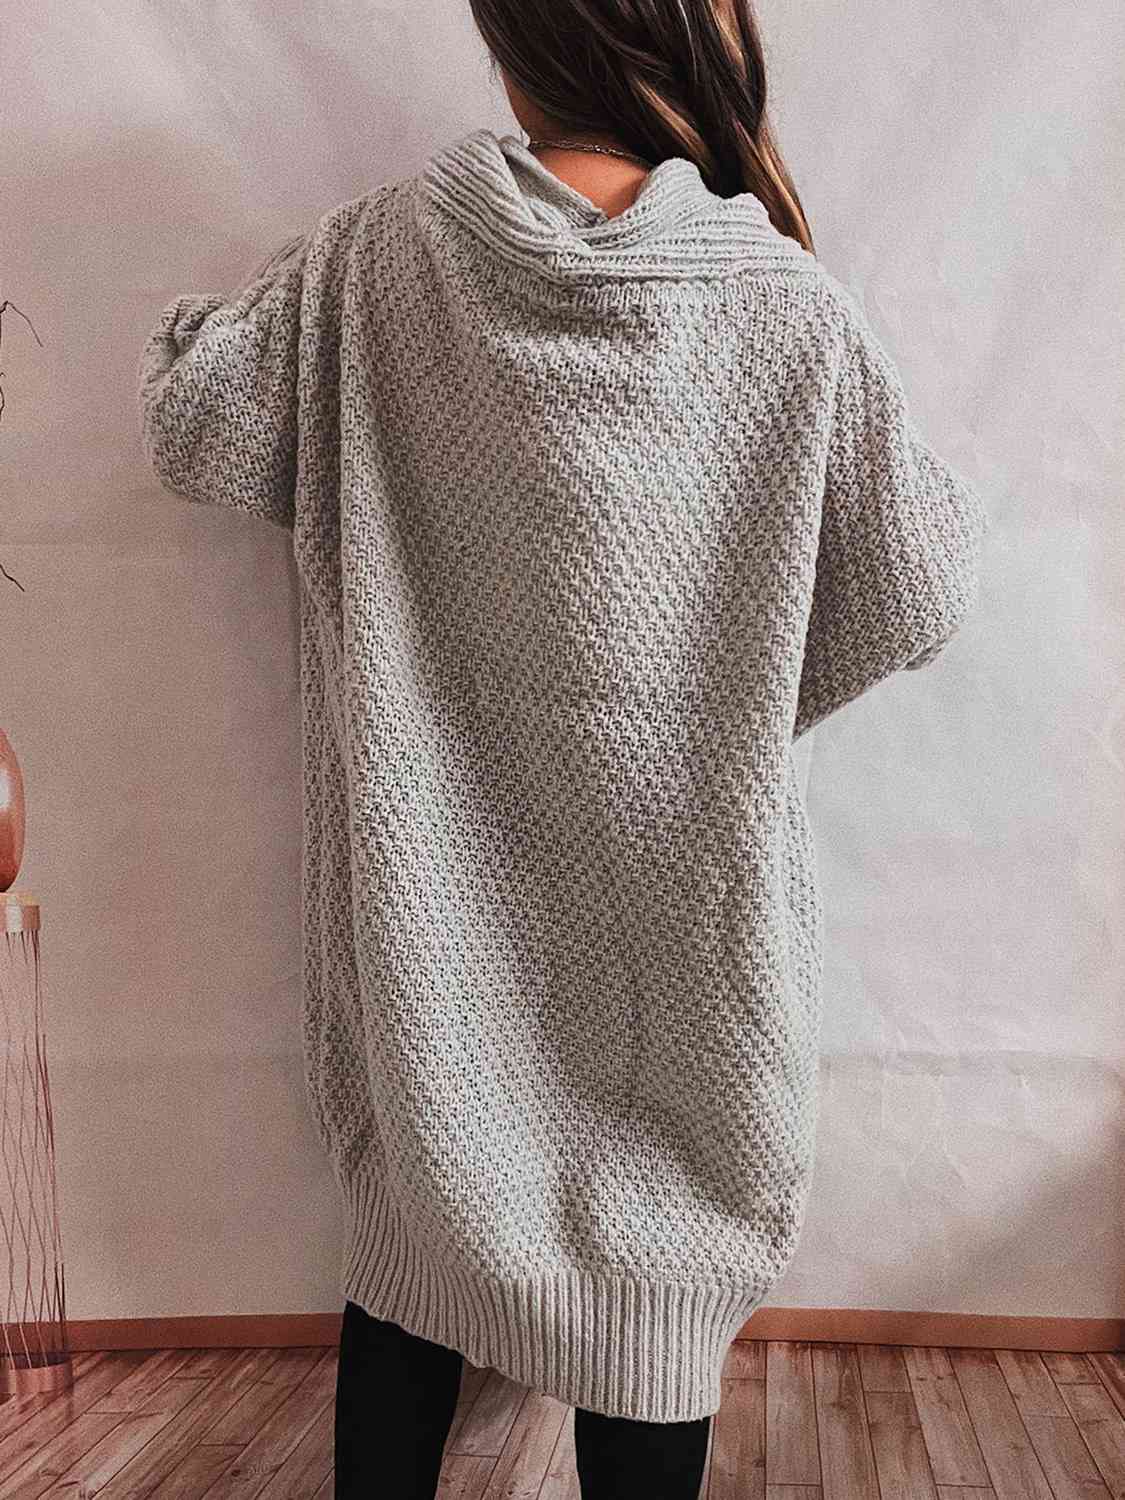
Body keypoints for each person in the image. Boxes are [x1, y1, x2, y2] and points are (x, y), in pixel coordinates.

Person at [136, 2, 990, 1496]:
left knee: (411, 1266)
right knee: (658, 1297)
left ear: (516, 44)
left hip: (426, 963)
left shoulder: (370, 261)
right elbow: (921, 581)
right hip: (693, 961)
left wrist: (222, 317)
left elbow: (194, 423)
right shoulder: (783, 305)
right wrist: (732, 698)